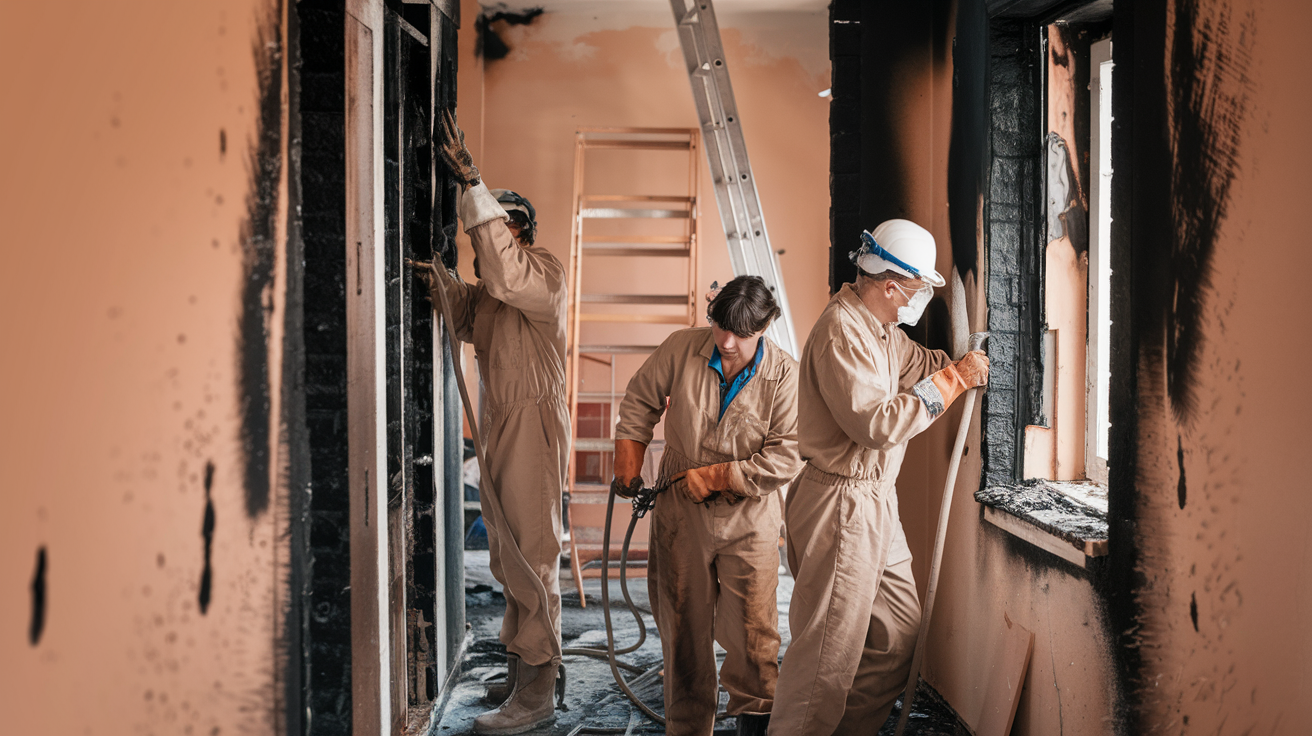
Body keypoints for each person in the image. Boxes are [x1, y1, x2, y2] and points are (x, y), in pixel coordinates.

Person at [767, 220, 989, 735]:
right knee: (826, 657)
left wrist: (962, 364)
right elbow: (877, 424)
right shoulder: (842, 331)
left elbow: (919, 364)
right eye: (916, 291)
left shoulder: (882, 329)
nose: (919, 302)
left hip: (874, 503)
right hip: (841, 504)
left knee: (896, 638)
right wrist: (953, 382)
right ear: (890, 285)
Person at [416, 110, 568, 735]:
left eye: (489, 236)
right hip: (504, 422)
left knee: (532, 555)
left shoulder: (542, 276)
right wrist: (438, 278)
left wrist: (473, 183)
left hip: (532, 423)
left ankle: (537, 694)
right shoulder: (492, 297)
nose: (481, 253)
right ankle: (523, 664)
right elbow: (466, 312)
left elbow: (504, 272)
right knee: (508, 554)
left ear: (515, 232)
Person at [612, 276, 804, 736]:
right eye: (720, 326)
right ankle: (688, 726)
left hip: (750, 516)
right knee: (683, 630)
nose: (727, 341)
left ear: (766, 326)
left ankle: (754, 722)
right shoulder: (681, 348)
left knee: (753, 636)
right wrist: (629, 456)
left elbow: (787, 453)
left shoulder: (785, 376)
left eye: (740, 333)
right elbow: (640, 399)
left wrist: (720, 476)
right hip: (681, 510)